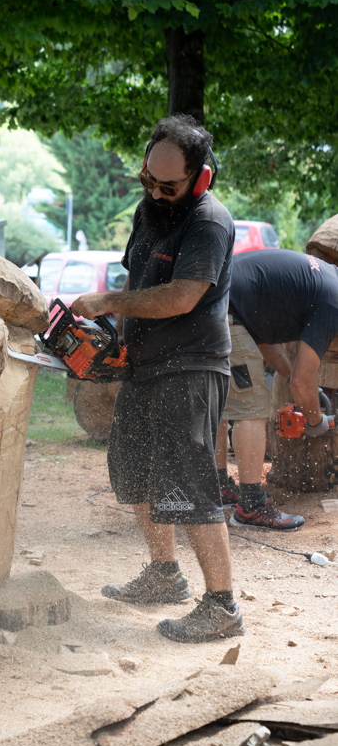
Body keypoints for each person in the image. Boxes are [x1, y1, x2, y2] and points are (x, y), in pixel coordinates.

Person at [70, 114, 244, 644]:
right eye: (149, 180)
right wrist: (118, 339)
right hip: (146, 364)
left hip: (192, 365)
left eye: (169, 187)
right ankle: (164, 574)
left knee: (189, 483)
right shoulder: (150, 212)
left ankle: (222, 605)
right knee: (136, 471)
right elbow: (139, 278)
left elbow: (182, 295)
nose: (157, 192)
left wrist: (108, 301)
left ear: (201, 179)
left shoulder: (209, 222)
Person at [215, 249, 338, 529]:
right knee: (252, 410)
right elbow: (301, 381)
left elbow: (261, 334)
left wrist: (295, 378)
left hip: (215, 300)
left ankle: (216, 486)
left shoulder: (325, 279)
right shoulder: (334, 304)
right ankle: (251, 507)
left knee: (220, 403)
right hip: (223, 309)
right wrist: (316, 421)